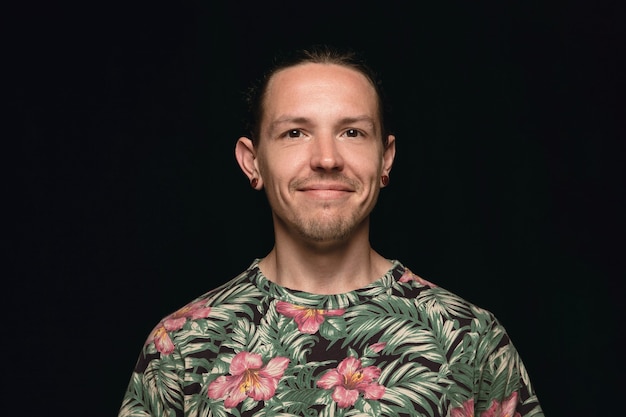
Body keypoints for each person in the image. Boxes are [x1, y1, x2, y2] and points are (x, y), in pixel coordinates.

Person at [118, 44, 544, 417]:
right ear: (253, 162)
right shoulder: (182, 345)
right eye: (295, 132)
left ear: (385, 160)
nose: (326, 158)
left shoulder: (469, 339)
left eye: (352, 132)